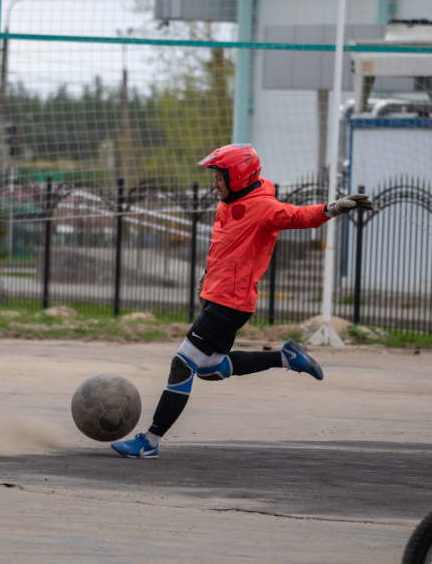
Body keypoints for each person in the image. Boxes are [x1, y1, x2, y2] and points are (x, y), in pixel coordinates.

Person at [111, 143, 373, 458]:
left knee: (183, 363)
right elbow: (225, 245)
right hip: (215, 298)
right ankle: (285, 357)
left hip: (230, 304)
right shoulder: (227, 203)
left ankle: (149, 442)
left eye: (219, 176)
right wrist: (207, 274)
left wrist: (332, 208)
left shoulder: (263, 206)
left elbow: (298, 216)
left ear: (237, 176)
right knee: (211, 368)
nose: (214, 183)